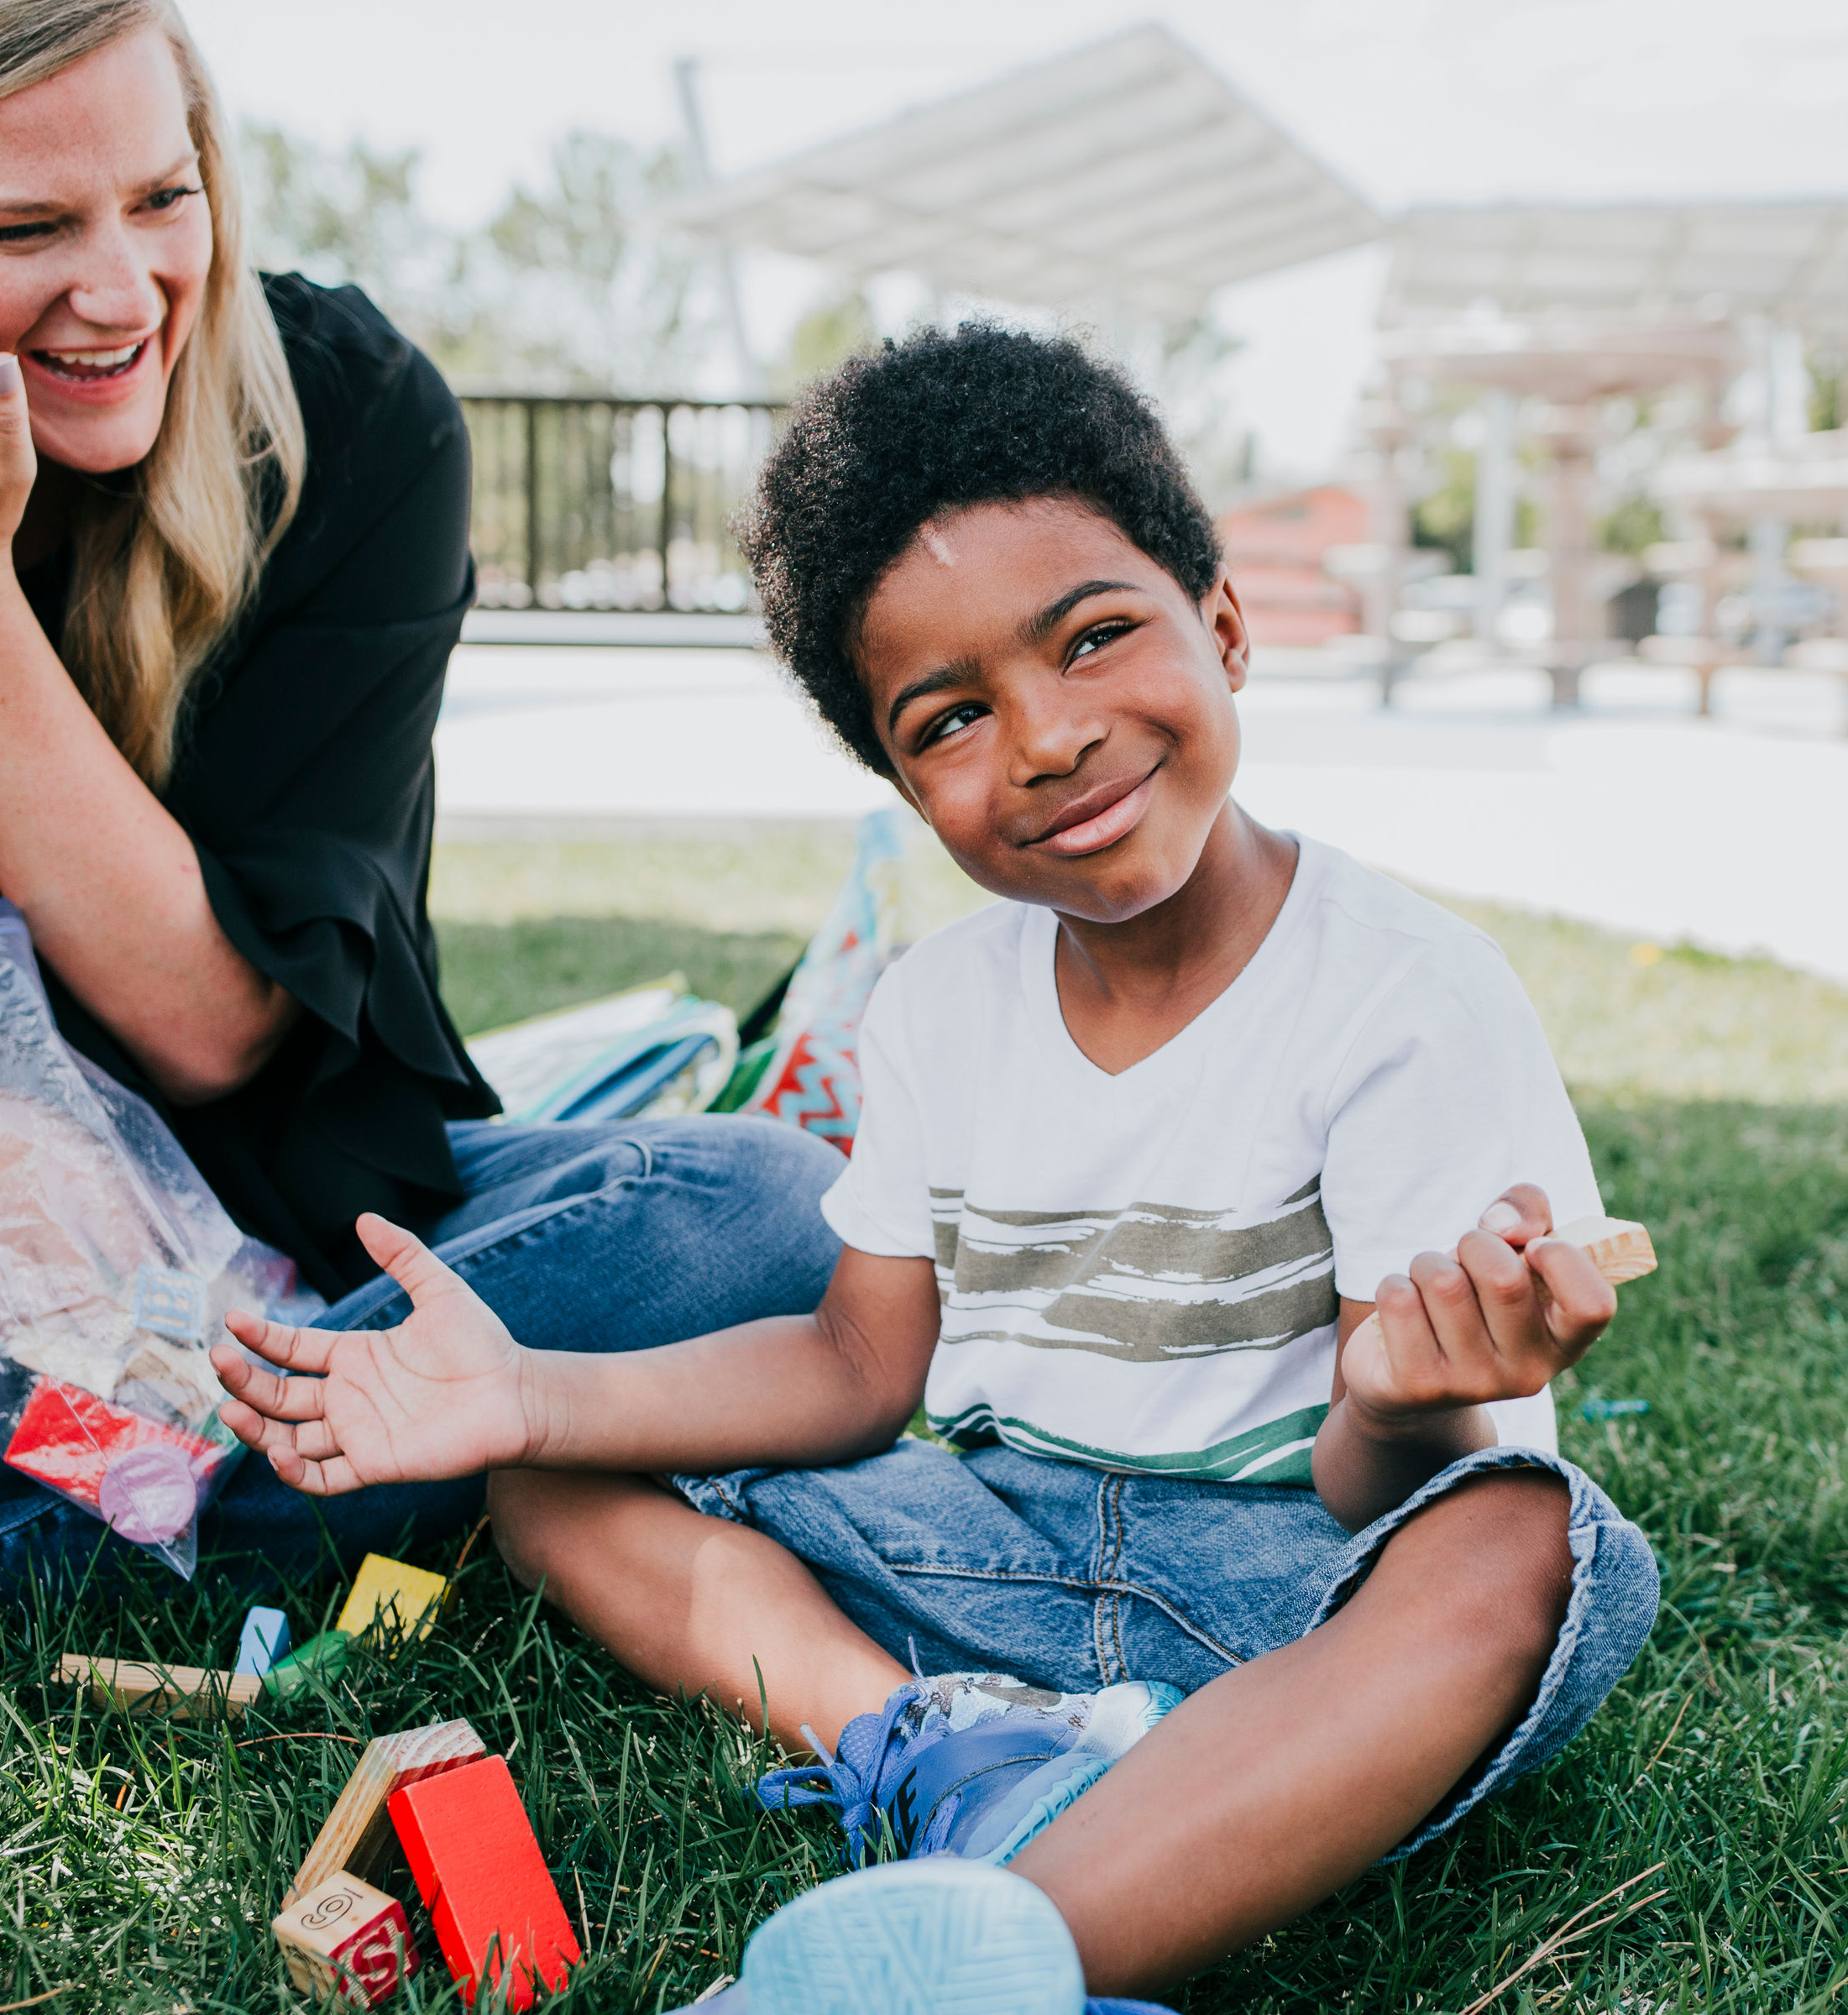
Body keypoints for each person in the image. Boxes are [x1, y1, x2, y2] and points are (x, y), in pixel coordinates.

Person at [207, 326, 1661, 2013]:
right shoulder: (937, 1011)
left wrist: (1409, 1398)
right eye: (953, 717)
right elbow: (851, 1370)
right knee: (545, 1488)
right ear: (902, 780)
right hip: (993, 1557)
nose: (1045, 741)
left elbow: (1386, 1498)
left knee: (1533, 1550)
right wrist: (528, 1396)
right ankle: (938, 1751)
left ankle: (987, 1961)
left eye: (1098, 637)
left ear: (1228, 628)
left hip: (1288, 1583)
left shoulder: (1406, 994)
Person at [0, 0, 842, 1676]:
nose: (124, 290)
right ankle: (384, 1449)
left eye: (164, 199)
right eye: (25, 229)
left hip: (300, 1244)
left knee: (766, 1215)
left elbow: (212, 1021)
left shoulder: (346, 419)